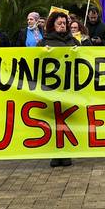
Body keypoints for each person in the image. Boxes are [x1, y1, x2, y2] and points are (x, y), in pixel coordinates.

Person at [38, 11, 80, 168]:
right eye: (59, 23)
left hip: (68, 89)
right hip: (51, 89)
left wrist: (79, 52)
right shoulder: (44, 43)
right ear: (52, 25)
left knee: (67, 121)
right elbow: (34, 61)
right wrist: (42, 53)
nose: (63, 26)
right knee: (54, 121)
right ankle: (55, 153)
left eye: (64, 23)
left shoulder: (74, 41)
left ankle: (66, 152)